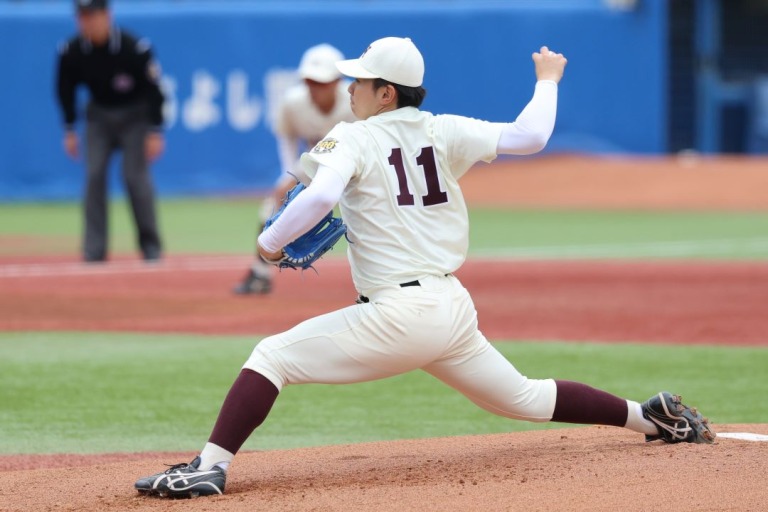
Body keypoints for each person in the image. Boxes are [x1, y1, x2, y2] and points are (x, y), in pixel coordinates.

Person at [135, 37, 714, 498]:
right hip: (451, 310)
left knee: (271, 356)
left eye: (361, 80)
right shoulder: (443, 129)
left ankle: (209, 467)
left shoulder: (353, 137)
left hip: (400, 313)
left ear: (387, 93)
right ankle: (652, 418)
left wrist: (268, 243)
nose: (351, 88)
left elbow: (313, 200)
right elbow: (532, 134)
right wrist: (546, 80)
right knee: (527, 398)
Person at [233, 43, 356, 294]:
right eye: (309, 81)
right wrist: (288, 173)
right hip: (315, 163)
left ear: (337, 81)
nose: (314, 87)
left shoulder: (355, 102)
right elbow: (287, 138)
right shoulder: (293, 103)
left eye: (321, 82)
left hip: (356, 166)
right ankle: (260, 274)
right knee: (274, 202)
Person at [56, 0, 164, 263]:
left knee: (134, 177)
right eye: (82, 16)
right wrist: (70, 128)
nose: (87, 22)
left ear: (107, 15)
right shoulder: (72, 51)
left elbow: (154, 91)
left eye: (92, 15)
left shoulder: (133, 48)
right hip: (98, 118)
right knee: (93, 176)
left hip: (135, 117)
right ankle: (94, 249)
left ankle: (150, 245)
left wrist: (155, 130)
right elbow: (65, 90)